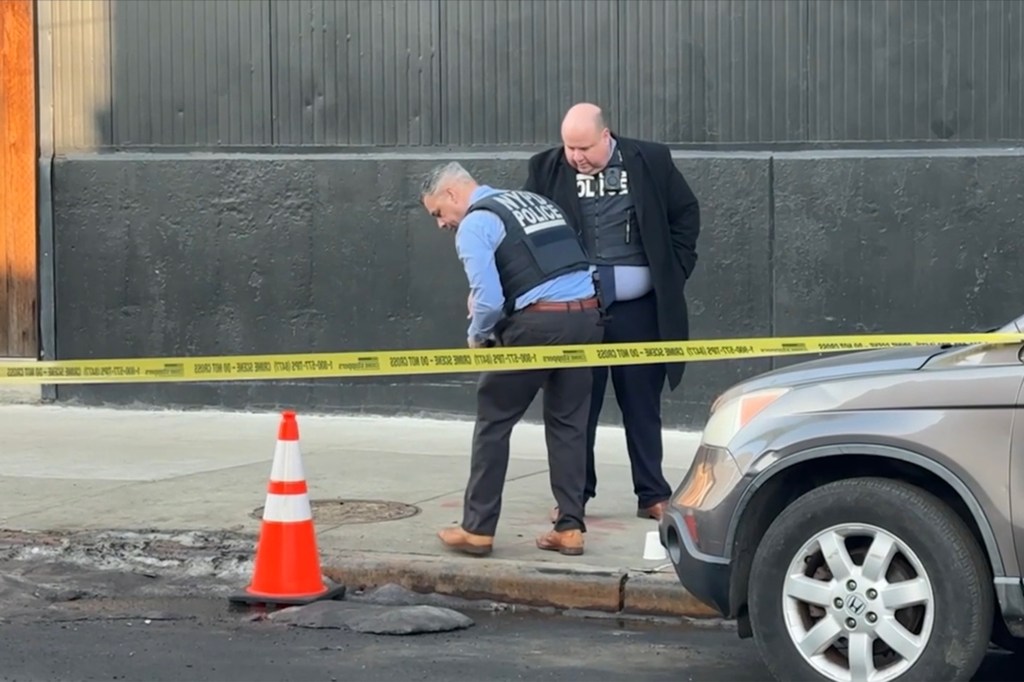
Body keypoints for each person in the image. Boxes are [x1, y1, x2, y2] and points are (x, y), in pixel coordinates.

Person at [523, 102, 700, 522]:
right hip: (577, 310)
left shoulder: (650, 160)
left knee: (642, 403)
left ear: (607, 136)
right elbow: (528, 231)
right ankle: (574, 498)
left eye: (584, 147)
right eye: (569, 148)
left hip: (638, 309)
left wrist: (673, 272)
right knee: (575, 404)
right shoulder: (545, 169)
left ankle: (652, 493)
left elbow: (685, 215)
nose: (576, 157)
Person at [419, 161, 604, 557]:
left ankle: (477, 529)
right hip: (588, 317)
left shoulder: (475, 223)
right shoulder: (535, 202)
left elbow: (487, 300)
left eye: (438, 213)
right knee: (569, 422)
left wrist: (479, 336)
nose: (440, 224)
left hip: (538, 325)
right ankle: (570, 527)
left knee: (493, 419)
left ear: (452, 194)